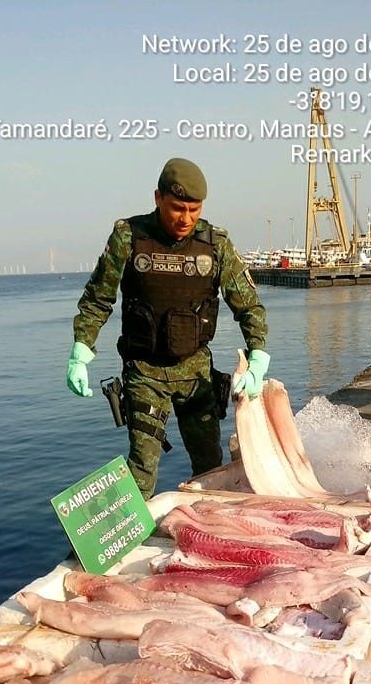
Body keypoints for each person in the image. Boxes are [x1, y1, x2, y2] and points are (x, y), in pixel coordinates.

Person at [66, 157, 269, 499]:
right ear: (157, 198)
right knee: (142, 470)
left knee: (210, 467)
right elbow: (98, 299)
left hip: (195, 374)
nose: (186, 219)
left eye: (194, 209)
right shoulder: (128, 238)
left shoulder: (215, 244)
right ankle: (122, 543)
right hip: (144, 373)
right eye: (177, 208)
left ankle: (205, 539)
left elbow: (248, 305)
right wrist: (81, 351)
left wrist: (258, 357)